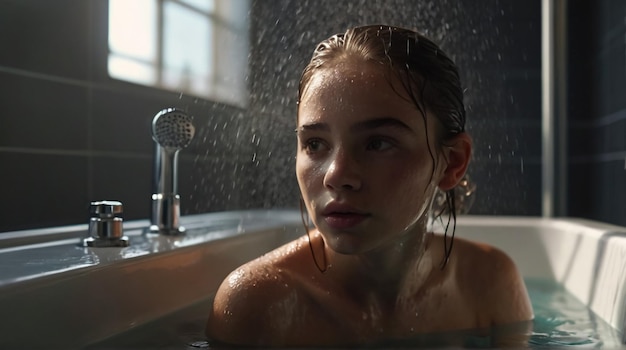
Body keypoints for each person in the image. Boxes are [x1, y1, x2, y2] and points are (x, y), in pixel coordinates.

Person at [205, 24, 533, 347]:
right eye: (315, 144)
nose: (336, 175)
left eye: (377, 143)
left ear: (452, 162)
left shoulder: (489, 282)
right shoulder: (257, 304)